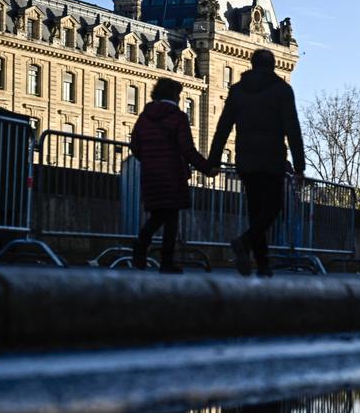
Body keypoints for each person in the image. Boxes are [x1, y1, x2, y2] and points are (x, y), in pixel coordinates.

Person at [208, 49, 305, 277]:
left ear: (252, 64)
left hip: (246, 158)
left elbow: (223, 127)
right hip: (271, 158)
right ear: (272, 66)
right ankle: (246, 242)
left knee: (255, 210)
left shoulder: (237, 91)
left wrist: (214, 160)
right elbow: (292, 128)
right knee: (272, 209)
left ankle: (262, 265)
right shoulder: (282, 90)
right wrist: (299, 165)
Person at [129, 78, 214, 273]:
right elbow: (187, 149)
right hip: (172, 174)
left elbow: (135, 146)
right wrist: (207, 168)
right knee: (171, 218)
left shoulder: (144, 117)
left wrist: (149, 159)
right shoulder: (178, 117)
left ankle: (141, 245)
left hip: (150, 174)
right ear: (175, 95)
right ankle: (166, 261)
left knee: (158, 215)